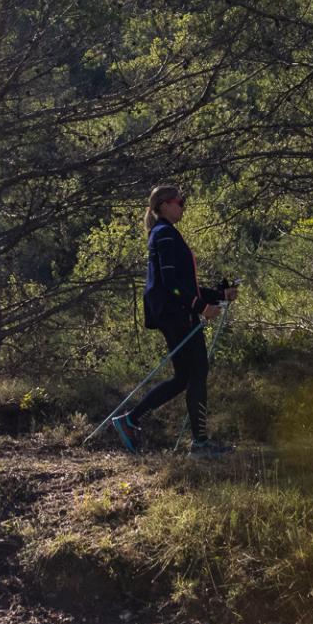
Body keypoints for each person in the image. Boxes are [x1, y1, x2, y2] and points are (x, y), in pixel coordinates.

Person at [110, 185, 239, 455]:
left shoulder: (165, 233)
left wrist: (217, 295)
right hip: (176, 315)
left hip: (174, 313)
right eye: (181, 202)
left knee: (184, 377)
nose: (183, 206)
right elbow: (172, 284)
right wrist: (200, 307)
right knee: (197, 372)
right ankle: (200, 444)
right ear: (165, 205)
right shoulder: (165, 235)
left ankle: (130, 420)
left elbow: (184, 285)